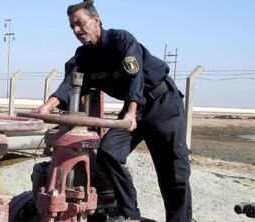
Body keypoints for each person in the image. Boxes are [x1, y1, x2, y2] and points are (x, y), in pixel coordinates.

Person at [34, 2, 192, 222]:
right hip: (134, 109)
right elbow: (70, 83)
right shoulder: (84, 56)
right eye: (71, 26)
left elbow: (134, 78)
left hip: (162, 103)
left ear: (96, 21)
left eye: (80, 23)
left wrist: (130, 113)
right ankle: (130, 215)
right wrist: (46, 107)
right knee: (109, 153)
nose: (76, 31)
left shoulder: (121, 41)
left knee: (173, 171)